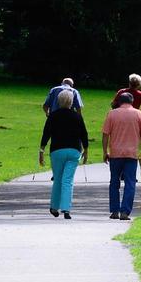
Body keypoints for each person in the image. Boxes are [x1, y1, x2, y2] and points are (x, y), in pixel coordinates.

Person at [38, 88, 89, 218]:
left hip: (57, 150)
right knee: (68, 180)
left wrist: (41, 150)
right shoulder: (77, 116)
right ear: (71, 102)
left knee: (58, 179)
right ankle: (66, 209)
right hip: (73, 151)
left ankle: (54, 207)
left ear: (58, 101)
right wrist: (86, 150)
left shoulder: (53, 116)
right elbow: (84, 133)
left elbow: (46, 134)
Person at [101, 92, 141, 220]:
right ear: (132, 101)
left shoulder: (112, 114)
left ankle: (114, 210)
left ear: (119, 102)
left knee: (114, 182)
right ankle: (125, 211)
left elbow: (105, 134)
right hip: (131, 154)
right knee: (130, 182)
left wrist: (105, 151)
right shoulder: (138, 114)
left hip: (115, 154)